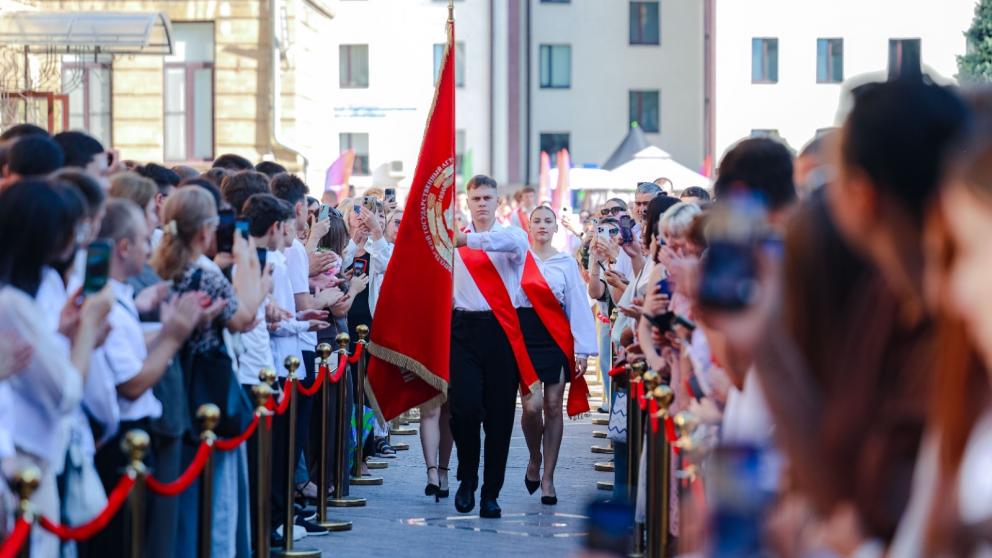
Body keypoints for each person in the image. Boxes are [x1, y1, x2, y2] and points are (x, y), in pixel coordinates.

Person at [150, 186, 267, 557]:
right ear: (205, 231)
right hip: (209, 385)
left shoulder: (156, 266)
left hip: (169, 379)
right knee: (217, 493)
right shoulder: (207, 274)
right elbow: (242, 320)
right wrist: (257, 278)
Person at [0, 180, 113, 557]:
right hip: (24, 464)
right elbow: (65, 391)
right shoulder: (12, 304)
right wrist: (87, 330)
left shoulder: (23, 296)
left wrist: (64, 332)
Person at [87, 199, 203, 558]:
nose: (149, 246)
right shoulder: (105, 297)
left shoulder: (119, 296)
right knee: (123, 540)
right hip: (123, 434)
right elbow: (132, 383)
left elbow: (132, 342)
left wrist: (168, 328)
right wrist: (172, 337)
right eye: (142, 239)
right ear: (124, 247)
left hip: (133, 432)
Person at [449, 174, 529, 518]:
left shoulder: (512, 235)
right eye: (476, 198)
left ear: (498, 203)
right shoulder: (452, 241)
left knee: (499, 418)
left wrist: (465, 240)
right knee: (464, 409)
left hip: (501, 332)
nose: (482, 203)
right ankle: (467, 477)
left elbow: (505, 245)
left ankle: (490, 493)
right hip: (462, 329)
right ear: (467, 202)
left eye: (487, 198)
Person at [517, 206, 597, 505]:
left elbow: (577, 304)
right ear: (528, 227)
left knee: (552, 406)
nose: (541, 225)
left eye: (547, 221)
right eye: (536, 220)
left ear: (556, 228)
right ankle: (534, 457)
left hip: (555, 339)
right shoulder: (519, 259)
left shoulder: (565, 263)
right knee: (530, 407)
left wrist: (582, 349)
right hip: (525, 339)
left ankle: (548, 477)